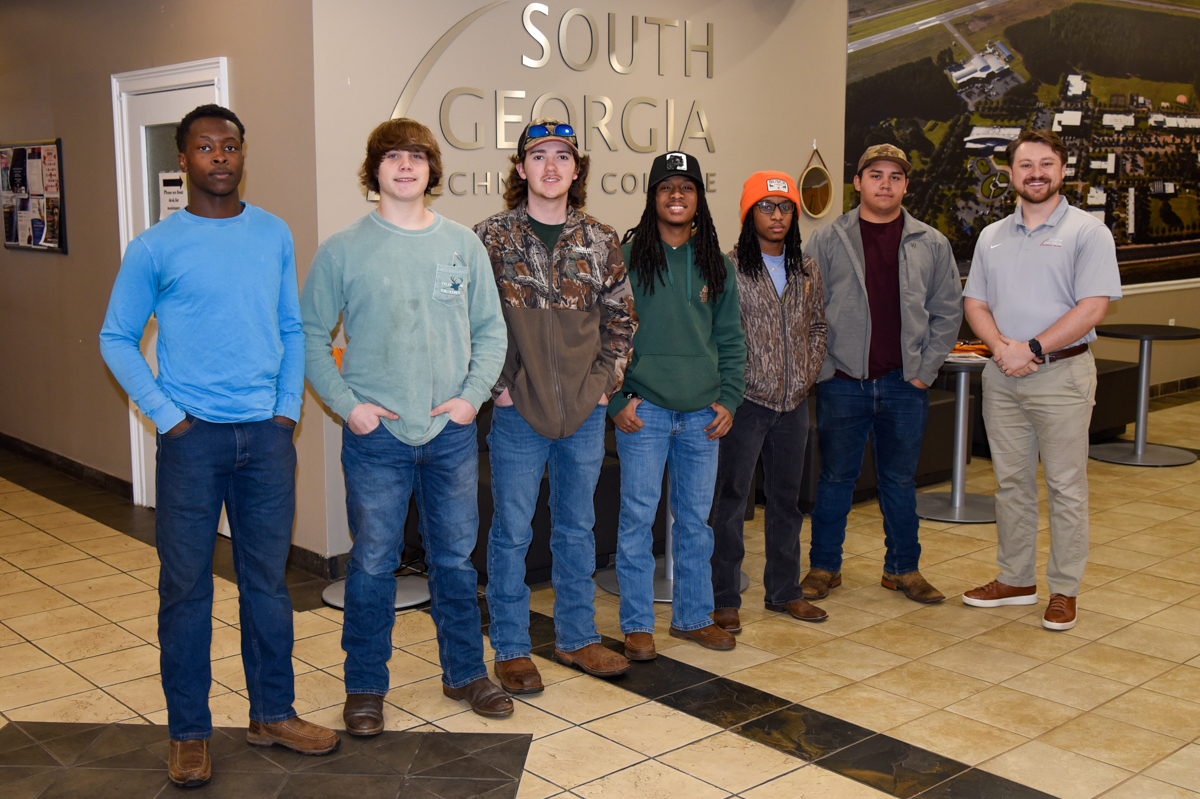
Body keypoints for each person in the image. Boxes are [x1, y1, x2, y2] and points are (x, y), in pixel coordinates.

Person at [99, 104, 338, 788]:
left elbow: (291, 327)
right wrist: (167, 417)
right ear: (184, 160)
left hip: (266, 439)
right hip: (191, 443)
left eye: (229, 146)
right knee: (185, 590)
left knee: (267, 585)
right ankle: (189, 732)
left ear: (241, 153)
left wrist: (286, 410)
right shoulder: (155, 246)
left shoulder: (273, 232)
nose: (220, 157)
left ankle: (272, 713)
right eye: (205, 147)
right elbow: (116, 337)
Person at [302, 119, 511, 727]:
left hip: (451, 434)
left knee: (455, 562)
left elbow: (490, 331)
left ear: (430, 170)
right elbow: (309, 334)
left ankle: (466, 674)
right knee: (372, 564)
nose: (405, 166)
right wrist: (349, 406)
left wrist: (471, 398)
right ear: (375, 170)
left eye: (416, 156)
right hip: (377, 440)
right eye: (392, 156)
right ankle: (365, 687)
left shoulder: (462, 245)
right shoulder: (343, 248)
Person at [474, 118, 636, 693]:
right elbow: (472, 321)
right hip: (518, 412)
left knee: (577, 527)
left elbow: (621, 322)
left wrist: (604, 386)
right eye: (538, 156)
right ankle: (512, 646)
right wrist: (500, 387)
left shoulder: (600, 238)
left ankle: (577, 636)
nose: (550, 166)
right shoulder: (490, 238)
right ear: (521, 168)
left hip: (585, 413)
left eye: (562, 156)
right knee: (512, 532)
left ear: (576, 168)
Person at [962, 129, 1121, 631]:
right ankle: (1015, 579)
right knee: (1010, 483)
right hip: (1003, 376)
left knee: (1065, 486)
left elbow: (1092, 307)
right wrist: (1002, 350)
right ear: (1010, 174)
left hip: (1062, 376)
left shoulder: (1088, 232)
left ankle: (1064, 589)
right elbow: (975, 303)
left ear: (1063, 170)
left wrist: (1030, 348)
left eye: (1046, 164)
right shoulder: (992, 236)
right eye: (1025, 165)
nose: (1036, 173)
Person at [802, 144, 962, 605]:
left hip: (904, 384)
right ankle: (824, 567)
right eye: (875, 175)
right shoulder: (827, 239)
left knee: (899, 481)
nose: (885, 184)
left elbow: (947, 312)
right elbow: (806, 308)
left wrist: (925, 370)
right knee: (835, 479)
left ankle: (903, 569)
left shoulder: (931, 243)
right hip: (843, 384)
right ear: (858, 183)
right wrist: (825, 368)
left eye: (895, 176)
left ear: (906, 185)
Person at [609, 150, 747, 658]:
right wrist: (617, 399)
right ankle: (637, 624)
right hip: (643, 411)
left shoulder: (717, 264)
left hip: (702, 416)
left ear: (698, 199)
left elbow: (731, 340)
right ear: (653, 197)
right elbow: (605, 333)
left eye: (686, 187)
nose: (676, 195)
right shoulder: (627, 259)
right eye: (666, 186)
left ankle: (692, 617)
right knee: (636, 521)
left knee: (695, 524)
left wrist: (729, 399)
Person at [709, 172, 828, 632]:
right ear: (749, 213)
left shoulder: (807, 269)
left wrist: (805, 374)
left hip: (794, 403)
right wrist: (733, 387)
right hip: (744, 404)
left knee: (787, 502)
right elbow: (716, 335)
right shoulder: (728, 268)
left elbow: (817, 327)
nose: (776, 215)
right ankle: (724, 597)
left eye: (784, 207)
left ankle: (784, 591)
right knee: (731, 501)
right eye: (766, 206)